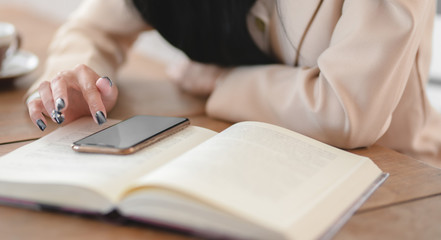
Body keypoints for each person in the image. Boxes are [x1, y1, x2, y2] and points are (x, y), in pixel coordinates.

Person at [25, 0, 441, 167]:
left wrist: (219, 81)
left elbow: (347, 112)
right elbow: (94, 28)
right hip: (253, 160)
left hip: (393, 171)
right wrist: (74, 81)